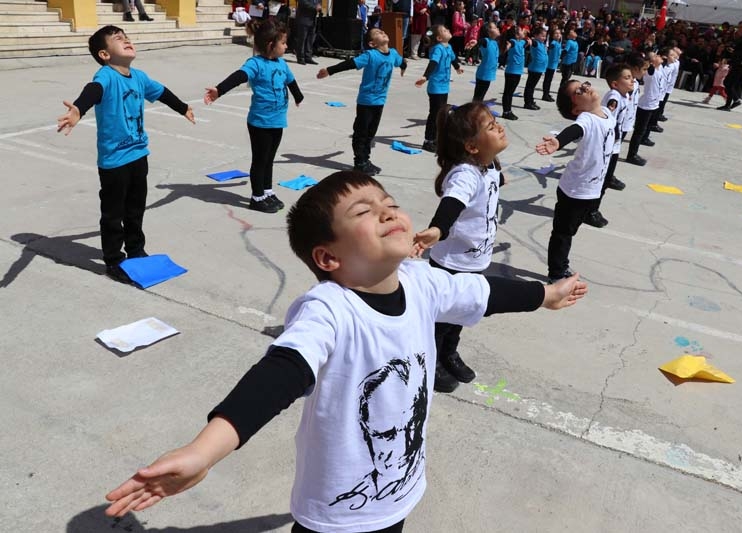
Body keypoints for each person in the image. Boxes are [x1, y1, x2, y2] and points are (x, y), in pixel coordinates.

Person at [104, 170, 588, 532]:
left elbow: (481, 291)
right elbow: (279, 375)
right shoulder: (329, 310)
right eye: (363, 212)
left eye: (389, 203)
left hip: (400, 497)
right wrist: (203, 452)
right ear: (328, 257)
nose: (387, 212)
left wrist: (544, 294)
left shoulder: (421, 282)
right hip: (335, 517)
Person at [56, 26, 194, 284]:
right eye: (118, 39)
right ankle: (114, 260)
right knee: (113, 213)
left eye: (127, 37)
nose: (127, 40)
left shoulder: (139, 77)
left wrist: (183, 107)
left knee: (135, 208)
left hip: (138, 154)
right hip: (114, 161)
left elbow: (161, 92)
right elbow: (93, 90)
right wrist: (79, 110)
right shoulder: (106, 76)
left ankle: (135, 249)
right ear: (105, 54)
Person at [411, 102, 508, 392]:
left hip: (475, 261)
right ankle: (430, 360)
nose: (499, 127)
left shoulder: (489, 166)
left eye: (495, 121)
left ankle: (448, 353)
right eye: (491, 126)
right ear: (472, 147)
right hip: (452, 263)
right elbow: (453, 202)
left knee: (462, 313)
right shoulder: (466, 174)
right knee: (442, 319)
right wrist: (438, 229)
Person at [204, 20, 304, 213]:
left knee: (269, 159)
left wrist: (298, 96)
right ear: (270, 45)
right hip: (260, 123)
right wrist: (219, 90)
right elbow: (239, 76)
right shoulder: (256, 64)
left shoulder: (282, 64)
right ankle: (257, 197)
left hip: (277, 121)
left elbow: (291, 81)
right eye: (283, 43)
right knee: (260, 160)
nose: (286, 46)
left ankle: (267, 191)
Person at [536, 80, 615, 283]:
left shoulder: (607, 113)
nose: (586, 88)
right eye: (579, 91)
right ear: (576, 109)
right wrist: (559, 141)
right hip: (574, 190)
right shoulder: (586, 119)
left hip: (591, 189)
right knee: (563, 233)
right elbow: (575, 130)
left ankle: (561, 264)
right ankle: (556, 274)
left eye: (585, 84)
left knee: (571, 229)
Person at [317, 28, 407, 176]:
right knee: (361, 132)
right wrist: (329, 70)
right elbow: (350, 64)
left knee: (371, 133)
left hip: (380, 101)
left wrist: (404, 67)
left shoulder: (393, 53)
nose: (382, 32)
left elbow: (401, 61)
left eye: (382, 31)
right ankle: (359, 162)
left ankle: (365, 159)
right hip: (366, 101)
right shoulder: (370, 55)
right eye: (377, 33)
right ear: (372, 44)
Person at [584, 63, 633, 228]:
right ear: (615, 84)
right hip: (609, 147)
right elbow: (608, 119)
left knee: (605, 180)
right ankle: (590, 211)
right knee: (602, 181)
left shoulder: (623, 95)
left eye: (631, 77)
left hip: (614, 146)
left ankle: (593, 209)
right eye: (627, 78)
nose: (632, 80)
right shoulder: (614, 97)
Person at [416, 25, 464, 153]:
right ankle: (428, 141)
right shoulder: (437, 49)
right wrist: (425, 76)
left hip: (444, 87)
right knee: (435, 114)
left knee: (442, 114)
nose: (448, 30)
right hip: (436, 87)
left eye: (447, 29)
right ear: (439, 38)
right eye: (444, 30)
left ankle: (436, 139)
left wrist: (458, 67)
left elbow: (453, 59)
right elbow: (433, 63)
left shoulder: (448, 47)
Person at [624, 51, 659, 166]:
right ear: (635, 68)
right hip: (631, 114)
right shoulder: (627, 83)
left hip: (632, 115)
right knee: (638, 132)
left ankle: (632, 154)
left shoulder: (635, 82)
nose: (645, 72)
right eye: (644, 69)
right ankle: (631, 155)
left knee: (641, 130)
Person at [719, 20, 742, 111]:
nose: (739, 29)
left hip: (741, 65)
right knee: (729, 83)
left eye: (741, 27)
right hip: (737, 64)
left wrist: (734, 51)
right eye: (738, 27)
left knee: (728, 83)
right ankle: (732, 102)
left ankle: (733, 102)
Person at [500, 25, 527, 120]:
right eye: (521, 30)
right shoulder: (513, 42)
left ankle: (508, 110)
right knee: (508, 92)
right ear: (516, 35)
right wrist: (507, 47)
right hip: (511, 71)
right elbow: (509, 44)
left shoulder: (522, 42)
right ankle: (506, 111)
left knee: (511, 92)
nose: (523, 31)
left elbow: (528, 41)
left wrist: (530, 40)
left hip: (518, 72)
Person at [471, 21, 501, 101]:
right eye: (495, 28)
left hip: (489, 73)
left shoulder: (495, 42)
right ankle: (474, 108)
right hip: (483, 74)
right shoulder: (486, 41)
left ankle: (476, 107)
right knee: (478, 97)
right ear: (488, 32)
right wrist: (476, 42)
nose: (497, 29)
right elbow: (481, 41)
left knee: (481, 96)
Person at [523, 25, 547, 110]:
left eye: (545, 36)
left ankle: (531, 100)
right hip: (534, 69)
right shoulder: (536, 42)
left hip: (539, 69)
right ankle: (528, 102)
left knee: (532, 87)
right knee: (530, 87)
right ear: (536, 35)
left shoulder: (542, 44)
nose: (544, 38)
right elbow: (531, 41)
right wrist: (529, 40)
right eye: (542, 36)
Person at [295, 0, 322, 65]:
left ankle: (308, 57)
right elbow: (303, 2)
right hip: (304, 19)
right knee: (302, 39)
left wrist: (319, 6)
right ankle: (300, 58)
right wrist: (315, 7)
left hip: (313, 20)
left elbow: (318, 3)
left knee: (310, 40)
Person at [540, 27, 561, 102]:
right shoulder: (553, 43)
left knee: (549, 80)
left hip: (554, 64)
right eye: (556, 33)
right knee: (547, 80)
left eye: (559, 33)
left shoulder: (558, 43)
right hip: (550, 64)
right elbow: (548, 50)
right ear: (552, 35)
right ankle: (545, 94)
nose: (558, 35)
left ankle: (547, 93)